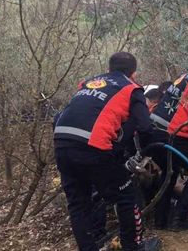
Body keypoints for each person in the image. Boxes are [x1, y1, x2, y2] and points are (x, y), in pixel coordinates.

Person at [53, 52, 161, 251]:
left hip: (61, 142)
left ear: (109, 69)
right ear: (133, 73)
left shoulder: (89, 83)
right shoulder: (131, 88)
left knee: (78, 203)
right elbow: (145, 127)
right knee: (126, 195)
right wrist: (145, 154)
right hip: (93, 147)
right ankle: (134, 246)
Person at [148, 73, 188, 231]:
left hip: (153, 130)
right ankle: (179, 218)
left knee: (170, 171)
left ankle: (160, 220)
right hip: (175, 134)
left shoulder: (187, 75)